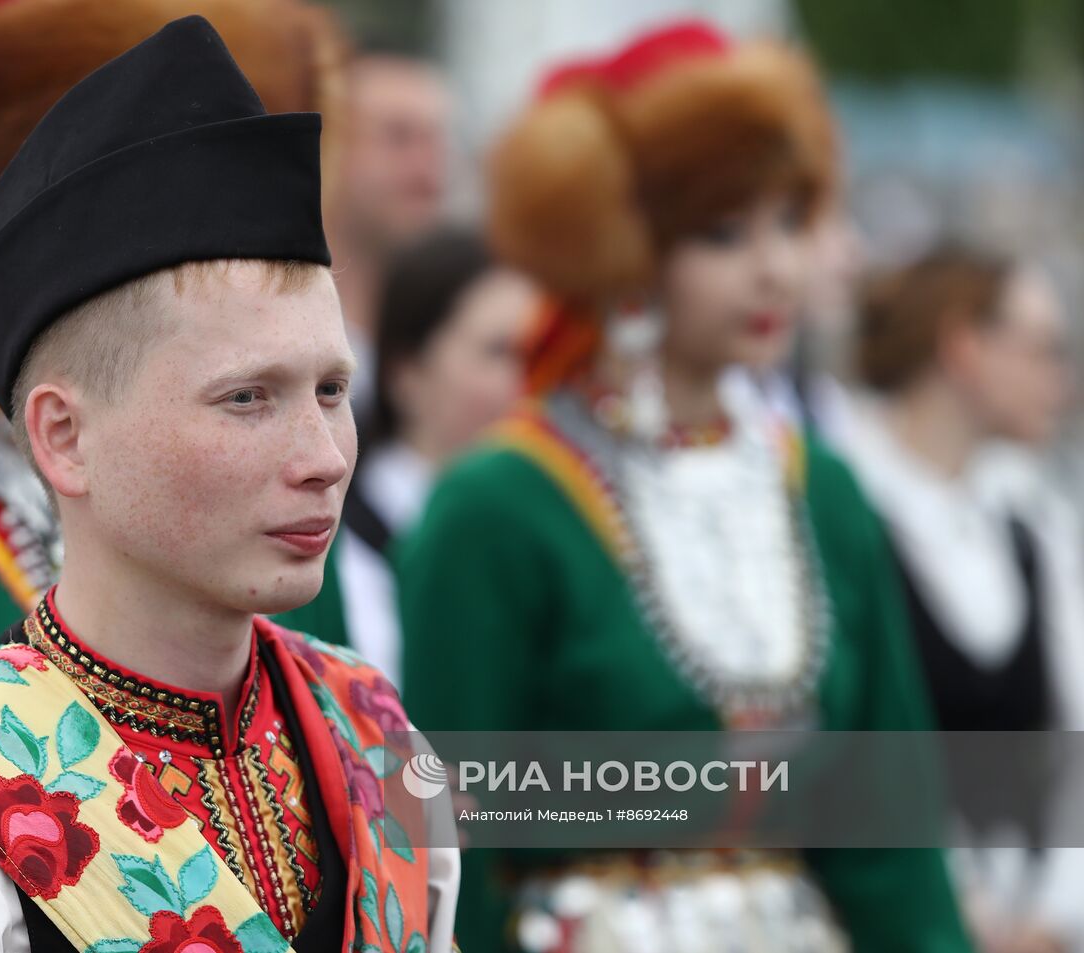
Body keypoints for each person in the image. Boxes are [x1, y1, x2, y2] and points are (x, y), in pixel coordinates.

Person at [0, 17, 458, 953]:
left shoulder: (379, 737)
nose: (324, 454)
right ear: (64, 437)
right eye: (247, 398)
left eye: (332, 389)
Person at [397, 20, 972, 952]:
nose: (774, 265)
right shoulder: (497, 505)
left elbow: (891, 833)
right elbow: (448, 845)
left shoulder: (821, 487)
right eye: (723, 230)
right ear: (621, 241)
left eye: (790, 221)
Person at [840, 247, 1084, 953]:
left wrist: (1053, 917)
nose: (1062, 383)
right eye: (1044, 350)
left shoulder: (1033, 521)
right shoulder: (848, 508)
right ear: (965, 346)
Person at [276, 227, 535, 683]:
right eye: (499, 352)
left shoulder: (550, 522)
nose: (529, 382)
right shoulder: (334, 544)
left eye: (539, 354)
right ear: (407, 373)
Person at [325, 46, 452, 416]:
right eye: (398, 137)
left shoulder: (462, 323)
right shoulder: (271, 319)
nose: (426, 167)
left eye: (436, 139)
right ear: (329, 145)